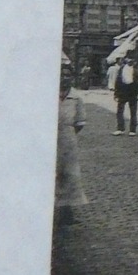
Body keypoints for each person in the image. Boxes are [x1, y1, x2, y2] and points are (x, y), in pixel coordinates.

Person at [55, 60, 88, 233]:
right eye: (62, 74)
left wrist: (68, 134)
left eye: (68, 75)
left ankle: (66, 211)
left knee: (68, 174)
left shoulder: (76, 98)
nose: (64, 78)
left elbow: (79, 122)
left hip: (67, 138)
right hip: (50, 136)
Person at [111, 55, 138, 135]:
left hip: (132, 91)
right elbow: (118, 81)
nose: (129, 60)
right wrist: (116, 93)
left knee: (133, 111)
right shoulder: (122, 68)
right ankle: (120, 128)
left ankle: (132, 130)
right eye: (128, 58)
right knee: (120, 110)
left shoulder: (136, 69)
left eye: (131, 59)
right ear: (126, 59)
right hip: (123, 91)